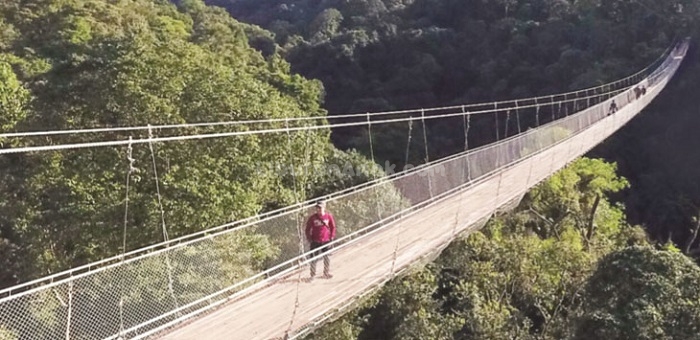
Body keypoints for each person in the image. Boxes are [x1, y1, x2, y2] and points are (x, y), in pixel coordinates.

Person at [305, 200, 336, 279]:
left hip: (326, 240)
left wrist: (331, 236)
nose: (318, 210)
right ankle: (312, 275)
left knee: (327, 257)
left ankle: (326, 273)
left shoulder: (328, 216)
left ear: (324, 208)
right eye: (317, 208)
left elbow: (333, 227)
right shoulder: (313, 218)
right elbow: (307, 228)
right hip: (315, 241)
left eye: (320, 208)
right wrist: (309, 238)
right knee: (314, 258)